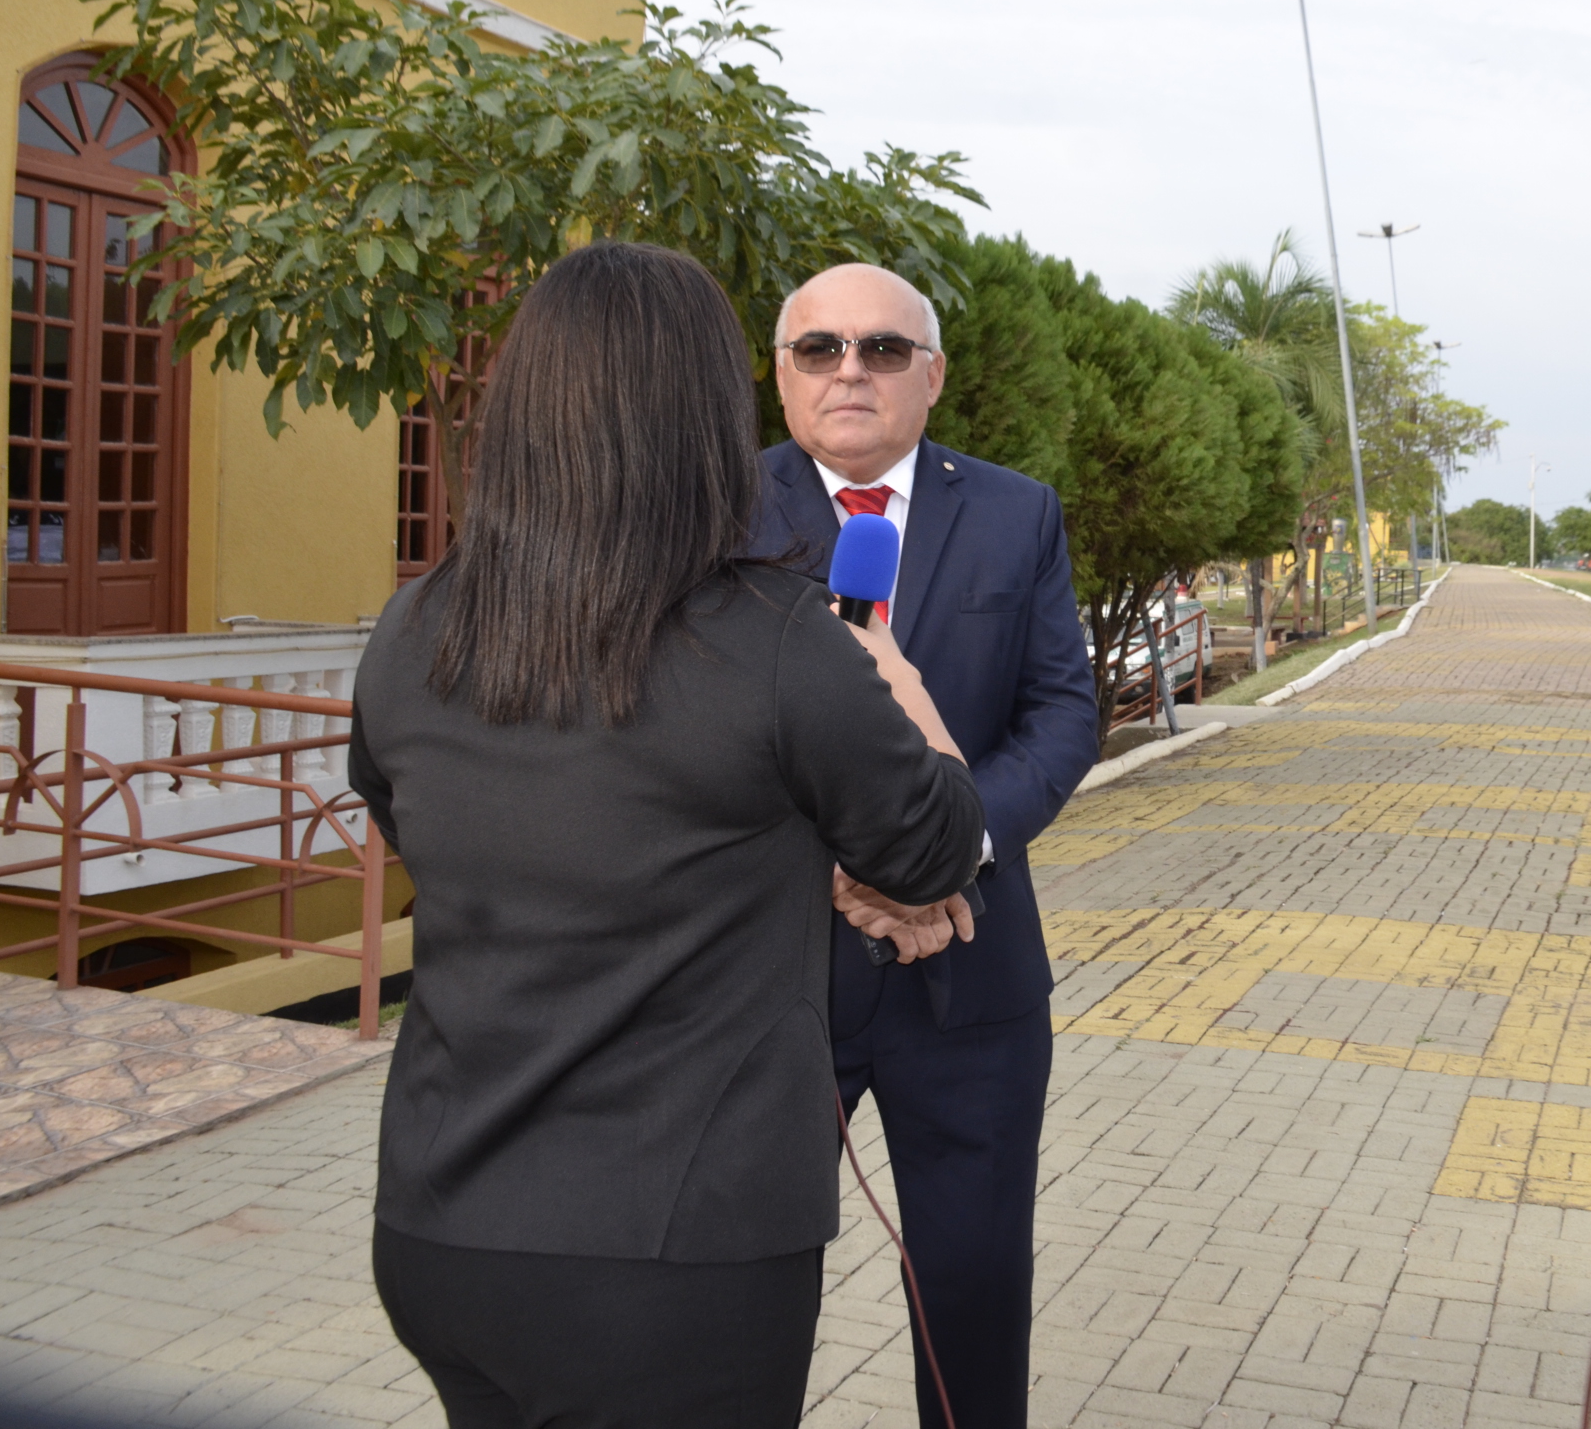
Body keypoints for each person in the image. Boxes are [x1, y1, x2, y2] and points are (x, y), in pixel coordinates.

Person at [350, 241, 986, 1427]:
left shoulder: (415, 624)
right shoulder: (776, 638)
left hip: (442, 1234)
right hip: (674, 1261)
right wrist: (894, 681)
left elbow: (416, 819)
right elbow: (935, 847)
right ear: (703, 416)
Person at [748, 262, 1100, 1429]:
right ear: (783, 372)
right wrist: (845, 870)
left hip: (972, 969)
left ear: (932, 376)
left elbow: (1061, 713)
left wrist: (952, 848)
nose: (850, 369)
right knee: (743, 1281)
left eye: (884, 350)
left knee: (975, 1284)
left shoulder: (1015, 512)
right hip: (772, 974)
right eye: (821, 349)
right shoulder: (711, 512)